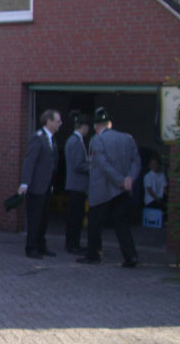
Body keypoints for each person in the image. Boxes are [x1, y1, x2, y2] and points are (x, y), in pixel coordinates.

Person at [78, 107, 141, 267]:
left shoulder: (97, 140)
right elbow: (136, 161)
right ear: (109, 124)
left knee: (95, 223)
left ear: (95, 126)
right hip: (123, 190)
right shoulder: (128, 138)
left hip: (103, 190)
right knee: (122, 224)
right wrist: (129, 179)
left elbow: (102, 164)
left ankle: (94, 255)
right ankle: (131, 256)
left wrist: (120, 180)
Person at [17, 108, 62, 259]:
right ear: (48, 121)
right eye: (57, 121)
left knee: (44, 218)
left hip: (47, 186)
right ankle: (31, 247)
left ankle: (41, 245)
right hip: (37, 187)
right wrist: (25, 183)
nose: (60, 124)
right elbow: (29, 162)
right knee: (35, 218)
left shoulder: (52, 139)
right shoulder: (38, 138)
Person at [64, 111, 90, 255]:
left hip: (76, 184)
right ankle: (73, 244)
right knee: (76, 217)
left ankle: (73, 243)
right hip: (77, 185)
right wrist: (92, 167)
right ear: (84, 126)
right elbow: (78, 165)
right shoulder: (76, 142)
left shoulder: (73, 140)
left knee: (75, 216)